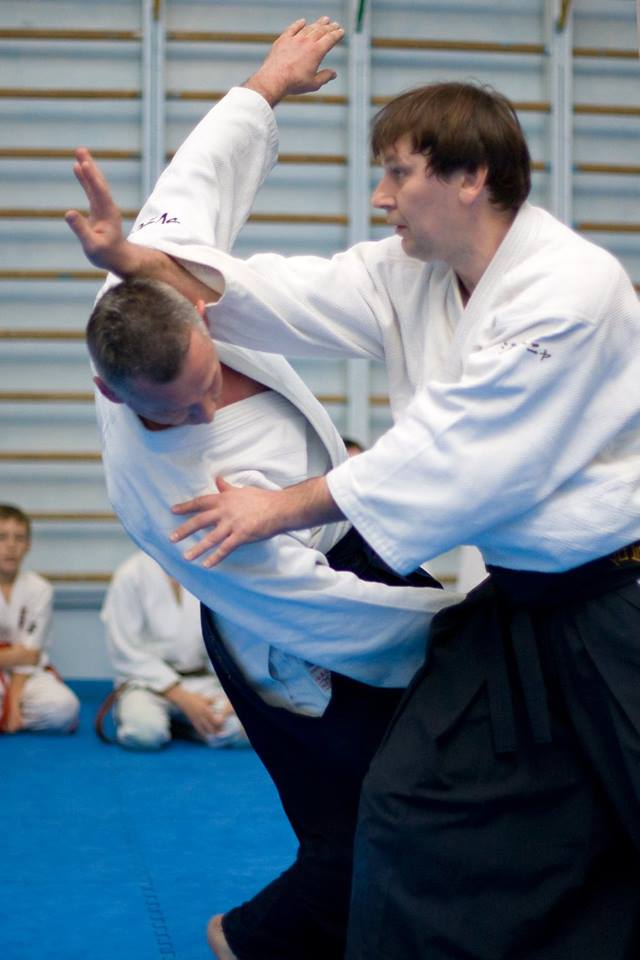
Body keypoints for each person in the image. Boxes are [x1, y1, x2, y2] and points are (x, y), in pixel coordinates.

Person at [156, 34, 640, 960]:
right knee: (413, 804)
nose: (380, 197)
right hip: (516, 608)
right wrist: (145, 265)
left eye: (397, 173)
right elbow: (273, 293)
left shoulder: (572, 287)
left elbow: (455, 452)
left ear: (471, 177)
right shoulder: (408, 273)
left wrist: (276, 507)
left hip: (618, 605)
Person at [65, 18, 461, 960]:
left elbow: (196, 182)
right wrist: (462, 625)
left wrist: (267, 84)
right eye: (179, 410)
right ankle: (240, 942)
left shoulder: (149, 291)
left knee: (429, 795)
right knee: (351, 832)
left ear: (196, 313)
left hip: (347, 544)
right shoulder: (172, 501)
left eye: (208, 380)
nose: (206, 408)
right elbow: (317, 610)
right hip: (285, 634)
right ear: (112, 395)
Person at [101, 550, 245, 750]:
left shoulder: (208, 569)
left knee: (241, 729)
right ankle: (167, 721)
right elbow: (126, 651)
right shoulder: (131, 573)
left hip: (201, 681)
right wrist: (183, 699)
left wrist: (234, 691)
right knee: (145, 733)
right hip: (147, 684)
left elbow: (228, 641)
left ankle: (182, 725)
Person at [0, 504, 80, 734]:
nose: (11, 546)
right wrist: (17, 653)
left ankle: (11, 713)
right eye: (2, 537)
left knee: (65, 707)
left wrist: (13, 703)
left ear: (28, 545)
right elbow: (23, 653)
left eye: (19, 538)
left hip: (26, 676)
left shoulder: (39, 588)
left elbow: (31, 654)